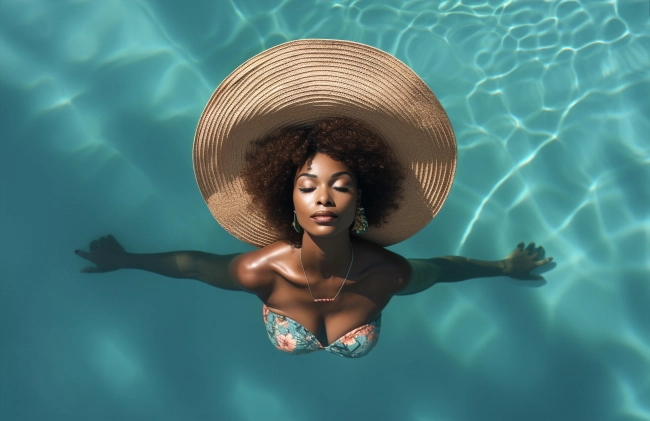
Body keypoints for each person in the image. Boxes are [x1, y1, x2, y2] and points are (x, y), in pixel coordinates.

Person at [75, 40, 553, 358]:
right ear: (290, 201)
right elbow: (193, 265)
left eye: (341, 185)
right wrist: (125, 259)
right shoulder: (260, 271)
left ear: (362, 199)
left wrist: (505, 267)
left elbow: (446, 268)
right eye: (307, 187)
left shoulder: (389, 273)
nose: (324, 198)